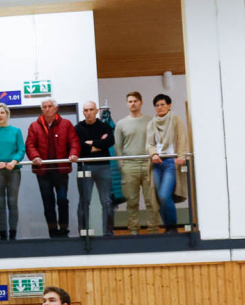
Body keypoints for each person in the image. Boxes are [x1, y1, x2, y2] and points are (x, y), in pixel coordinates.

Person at [25, 98, 78, 238]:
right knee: (48, 203)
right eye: (44, 107)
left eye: (50, 106)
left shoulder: (66, 124)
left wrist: (73, 154)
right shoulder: (34, 126)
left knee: (62, 200)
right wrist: (35, 157)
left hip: (61, 170)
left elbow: (74, 142)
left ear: (56, 108)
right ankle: (53, 233)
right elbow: (30, 145)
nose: (47, 109)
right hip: (43, 172)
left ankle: (64, 230)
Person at [146, 93, 189, 233]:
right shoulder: (151, 123)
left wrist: (181, 156)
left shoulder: (176, 119)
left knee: (165, 195)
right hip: (157, 163)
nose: (159, 107)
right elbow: (149, 144)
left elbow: (182, 139)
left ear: (169, 105)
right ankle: (167, 227)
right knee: (159, 197)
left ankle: (172, 227)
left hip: (171, 162)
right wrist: (153, 154)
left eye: (162, 104)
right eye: (157, 105)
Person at [114, 92, 155, 233]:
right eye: (130, 101)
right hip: (130, 166)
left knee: (151, 201)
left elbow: (155, 141)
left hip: (148, 164)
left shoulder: (150, 121)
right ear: (127, 104)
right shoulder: (121, 124)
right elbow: (118, 147)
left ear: (141, 102)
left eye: (135, 101)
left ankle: (153, 230)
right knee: (132, 201)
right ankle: (134, 230)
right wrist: (122, 165)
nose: (132, 104)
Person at [0, 104, 26, 241]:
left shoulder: (16, 131)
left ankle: (13, 234)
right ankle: (3, 235)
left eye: (2, 112)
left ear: (7, 114)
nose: (0, 115)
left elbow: (21, 149)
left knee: (13, 203)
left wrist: (14, 161)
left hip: (13, 170)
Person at [74, 101, 116, 237]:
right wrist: (100, 144)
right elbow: (80, 147)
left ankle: (108, 232)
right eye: (86, 110)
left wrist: (91, 143)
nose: (88, 112)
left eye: (91, 109)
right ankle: (84, 232)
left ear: (96, 111)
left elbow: (109, 142)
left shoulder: (104, 126)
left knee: (107, 201)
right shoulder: (78, 128)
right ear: (83, 112)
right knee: (84, 201)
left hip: (103, 166)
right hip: (85, 167)